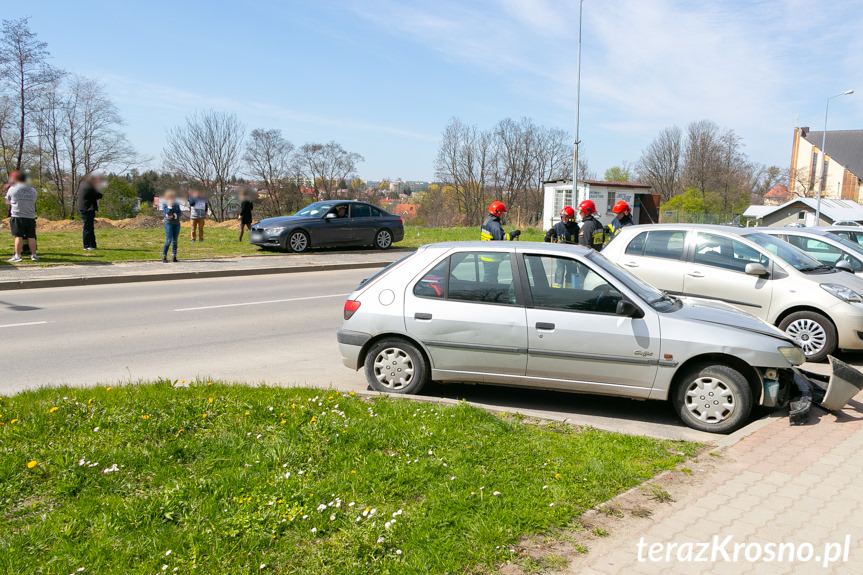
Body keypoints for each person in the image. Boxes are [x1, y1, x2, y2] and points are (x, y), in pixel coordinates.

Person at [480, 201, 520, 283]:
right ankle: (486, 294)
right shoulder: (494, 225)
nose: (502, 215)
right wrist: (514, 234)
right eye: (502, 213)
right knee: (490, 280)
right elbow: (503, 239)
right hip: (492, 257)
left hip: (486, 255)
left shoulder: (487, 222)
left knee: (491, 278)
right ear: (497, 212)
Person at [5, 171, 38, 263]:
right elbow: (34, 201)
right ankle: (34, 255)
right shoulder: (33, 190)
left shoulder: (12, 189)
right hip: (30, 216)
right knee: (31, 236)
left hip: (18, 215)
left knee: (18, 236)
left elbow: (7, 200)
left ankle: (17, 255)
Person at [78, 174, 104, 251]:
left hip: (84, 208)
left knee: (90, 227)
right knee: (88, 228)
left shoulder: (83, 184)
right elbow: (98, 195)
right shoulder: (89, 187)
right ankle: (86, 246)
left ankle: (92, 245)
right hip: (87, 208)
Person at [161, 189, 182, 263]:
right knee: (168, 240)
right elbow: (167, 214)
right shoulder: (165, 204)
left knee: (175, 241)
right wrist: (169, 207)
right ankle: (164, 256)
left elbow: (179, 213)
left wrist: (174, 215)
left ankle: (174, 256)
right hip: (168, 223)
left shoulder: (176, 203)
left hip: (176, 223)